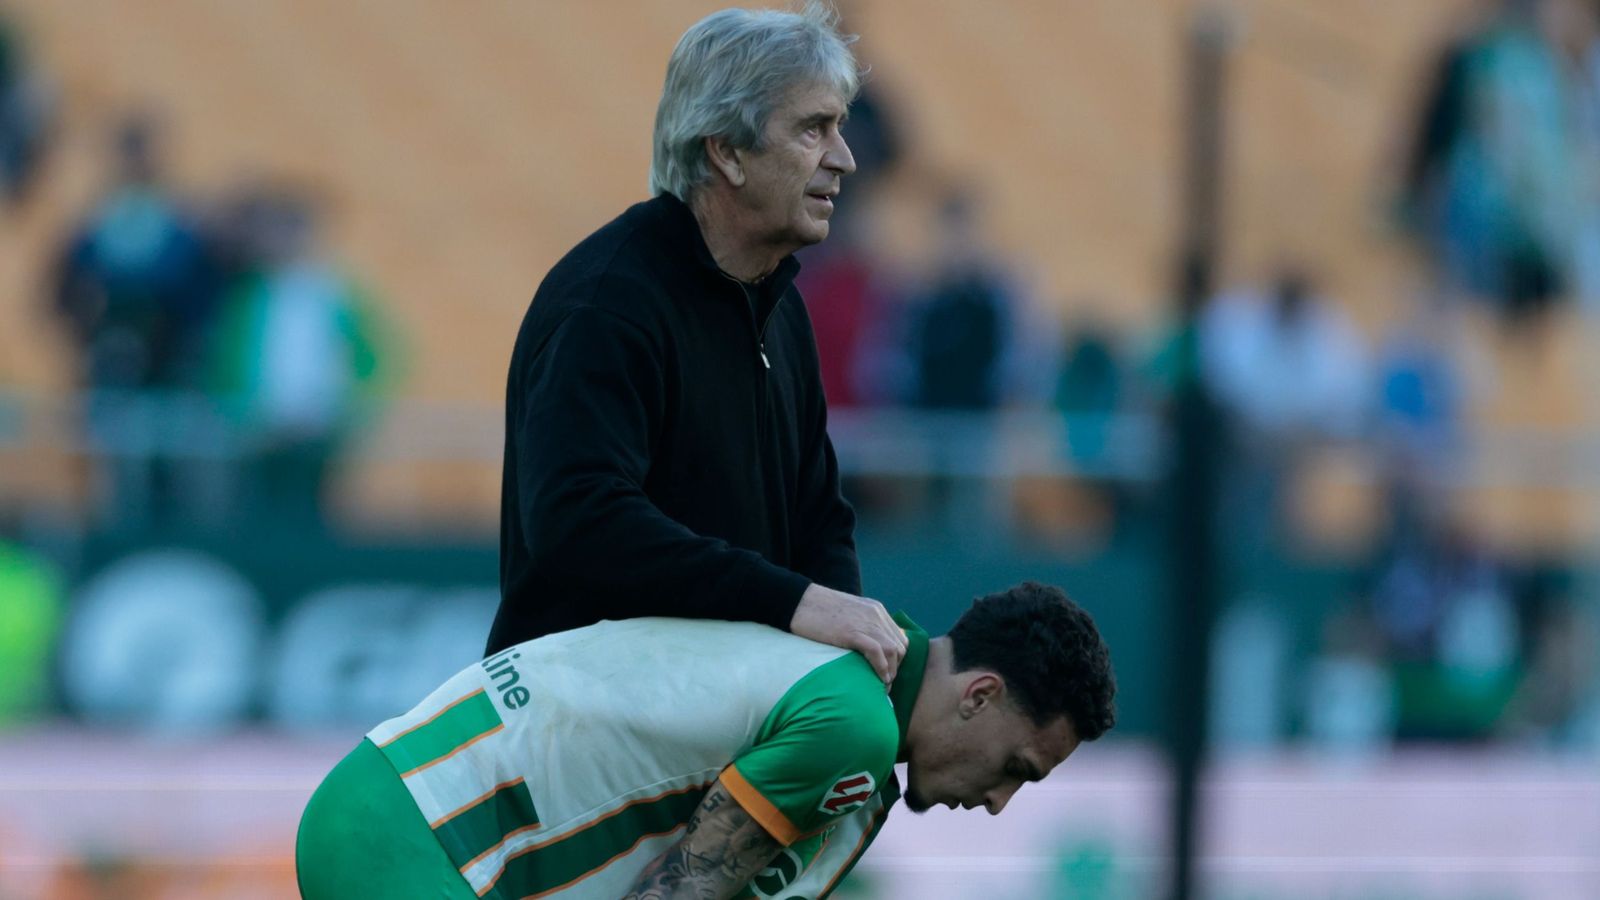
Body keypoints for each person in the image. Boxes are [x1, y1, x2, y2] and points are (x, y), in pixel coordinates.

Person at [493, 5, 905, 682]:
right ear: (727, 152)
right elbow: (581, 525)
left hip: (715, 707)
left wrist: (843, 659)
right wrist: (794, 603)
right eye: (814, 129)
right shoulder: (607, 305)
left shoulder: (779, 305)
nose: (846, 158)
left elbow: (819, 521)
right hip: (590, 731)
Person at [296, 581, 1117, 899]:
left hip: (398, 800)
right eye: (1018, 768)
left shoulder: (851, 672)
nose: (1002, 803)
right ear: (980, 695)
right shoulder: (856, 728)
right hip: (419, 834)